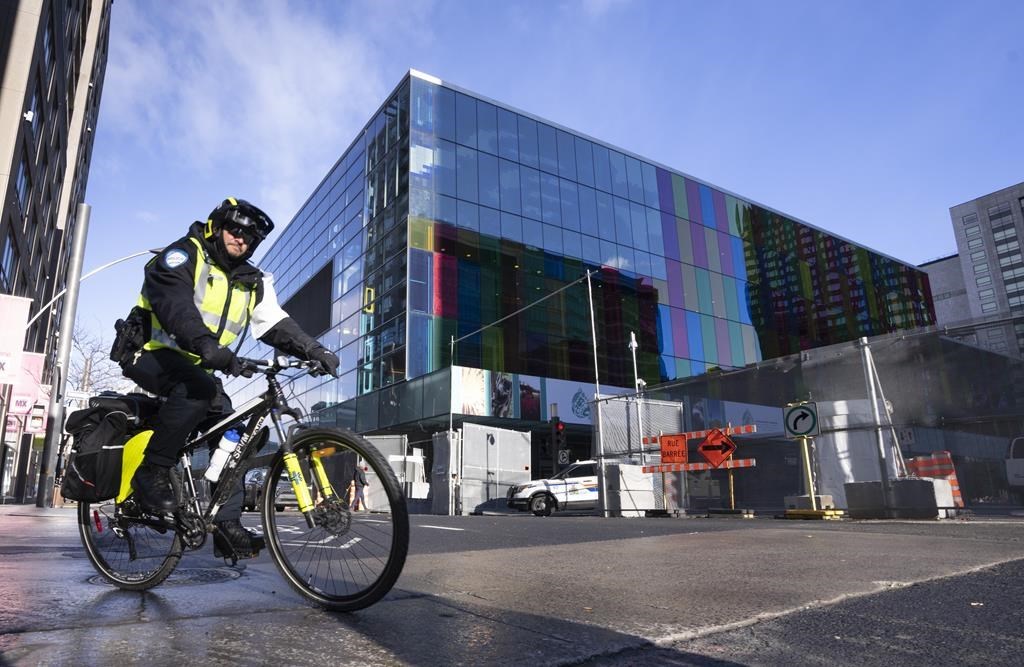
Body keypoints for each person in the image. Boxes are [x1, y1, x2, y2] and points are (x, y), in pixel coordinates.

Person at [121, 197, 339, 559]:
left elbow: (274, 323)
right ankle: (151, 473)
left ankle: (227, 525)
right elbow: (175, 306)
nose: (242, 240)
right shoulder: (183, 255)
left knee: (240, 433)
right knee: (200, 389)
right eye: (236, 230)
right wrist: (207, 346)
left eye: (250, 238)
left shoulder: (252, 281)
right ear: (217, 226)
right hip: (148, 351)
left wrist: (314, 350)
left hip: (199, 363)